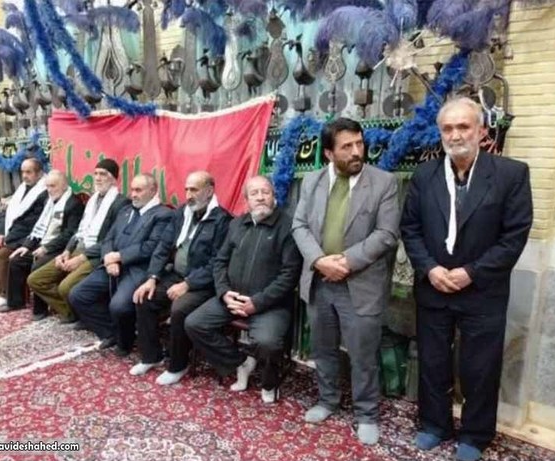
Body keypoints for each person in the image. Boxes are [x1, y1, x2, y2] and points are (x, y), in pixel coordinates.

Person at [400, 97, 533, 461]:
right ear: (440, 133)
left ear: (481, 131)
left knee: (480, 366)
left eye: (463, 126)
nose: (455, 135)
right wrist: (430, 268)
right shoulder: (425, 176)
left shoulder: (511, 174)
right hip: (434, 285)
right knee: (433, 361)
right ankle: (434, 425)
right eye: (448, 128)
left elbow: (514, 237)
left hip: (482, 290)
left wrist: (471, 273)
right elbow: (410, 228)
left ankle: (475, 434)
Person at [292, 118, 400, 444]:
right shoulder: (312, 181)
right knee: (323, 350)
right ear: (328, 153)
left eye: (359, 144)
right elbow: (299, 226)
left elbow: (386, 233)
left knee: (363, 355)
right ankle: (328, 400)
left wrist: (346, 262)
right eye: (347, 147)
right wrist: (319, 260)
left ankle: (367, 414)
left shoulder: (383, 182)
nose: (356, 152)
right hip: (320, 282)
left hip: (361, 284)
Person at [185, 176, 302, 404]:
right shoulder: (237, 224)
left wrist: (257, 303)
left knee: (268, 342)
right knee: (194, 323)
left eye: (265, 192)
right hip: (233, 297)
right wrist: (224, 292)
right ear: (246, 200)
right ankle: (240, 363)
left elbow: (289, 276)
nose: (260, 197)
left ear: (273, 196)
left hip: (270, 304)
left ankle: (269, 383)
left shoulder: (288, 227)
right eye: (254, 193)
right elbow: (220, 262)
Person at [130, 171, 231, 385]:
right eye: (187, 189)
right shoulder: (181, 214)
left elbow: (217, 263)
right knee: (144, 296)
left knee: (179, 308)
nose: (189, 195)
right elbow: (163, 247)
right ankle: (151, 356)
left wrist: (188, 284)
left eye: (194, 189)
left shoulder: (222, 220)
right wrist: (152, 277)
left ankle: (178, 365)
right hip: (176, 275)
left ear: (209, 191)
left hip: (203, 283)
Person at [68, 173, 172, 357]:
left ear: (153, 190)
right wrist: (109, 259)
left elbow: (151, 247)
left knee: (119, 307)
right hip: (112, 265)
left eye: (138, 190)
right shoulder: (126, 211)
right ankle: (112, 333)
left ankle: (125, 343)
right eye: (132, 190)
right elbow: (108, 239)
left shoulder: (163, 215)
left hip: (138, 269)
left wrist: (120, 257)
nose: (133, 194)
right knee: (78, 295)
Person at [27, 159, 129, 322]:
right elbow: (79, 230)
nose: (98, 178)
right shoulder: (93, 200)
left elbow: (112, 240)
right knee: (36, 280)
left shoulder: (121, 203)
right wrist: (67, 251)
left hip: (96, 254)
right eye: (96, 174)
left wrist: (81, 258)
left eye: (103, 174)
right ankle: (72, 313)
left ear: (113, 178)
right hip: (78, 248)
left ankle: (81, 315)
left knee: (65, 287)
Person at [0, 170, 84, 314]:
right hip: (42, 243)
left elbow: (69, 234)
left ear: (64, 186)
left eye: (53, 186)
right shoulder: (48, 201)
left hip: (59, 248)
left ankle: (41, 310)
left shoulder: (73, 204)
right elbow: (38, 227)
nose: (49, 190)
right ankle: (15, 302)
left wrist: (47, 248)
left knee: (38, 265)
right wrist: (26, 246)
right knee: (17, 259)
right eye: (48, 186)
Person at [0, 158, 47, 304]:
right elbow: (5, 213)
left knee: (3, 253)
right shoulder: (22, 188)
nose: (24, 176)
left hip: (27, 239)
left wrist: (8, 239)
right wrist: (0, 233)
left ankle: (6, 295)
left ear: (39, 173)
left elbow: (29, 223)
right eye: (23, 172)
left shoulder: (43, 193)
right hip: (12, 234)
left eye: (29, 172)